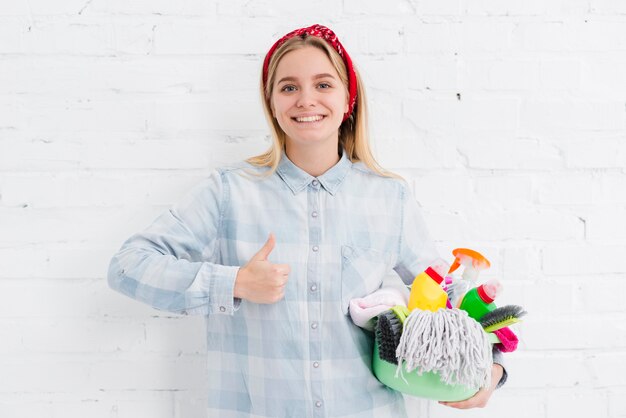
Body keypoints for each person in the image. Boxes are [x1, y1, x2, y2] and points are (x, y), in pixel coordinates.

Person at [108, 24, 507, 417]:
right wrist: (235, 283)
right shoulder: (229, 191)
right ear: (272, 104)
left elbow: (449, 306)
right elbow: (128, 266)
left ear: (348, 98)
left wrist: (495, 367)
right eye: (288, 87)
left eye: (322, 84)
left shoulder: (390, 198)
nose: (305, 100)